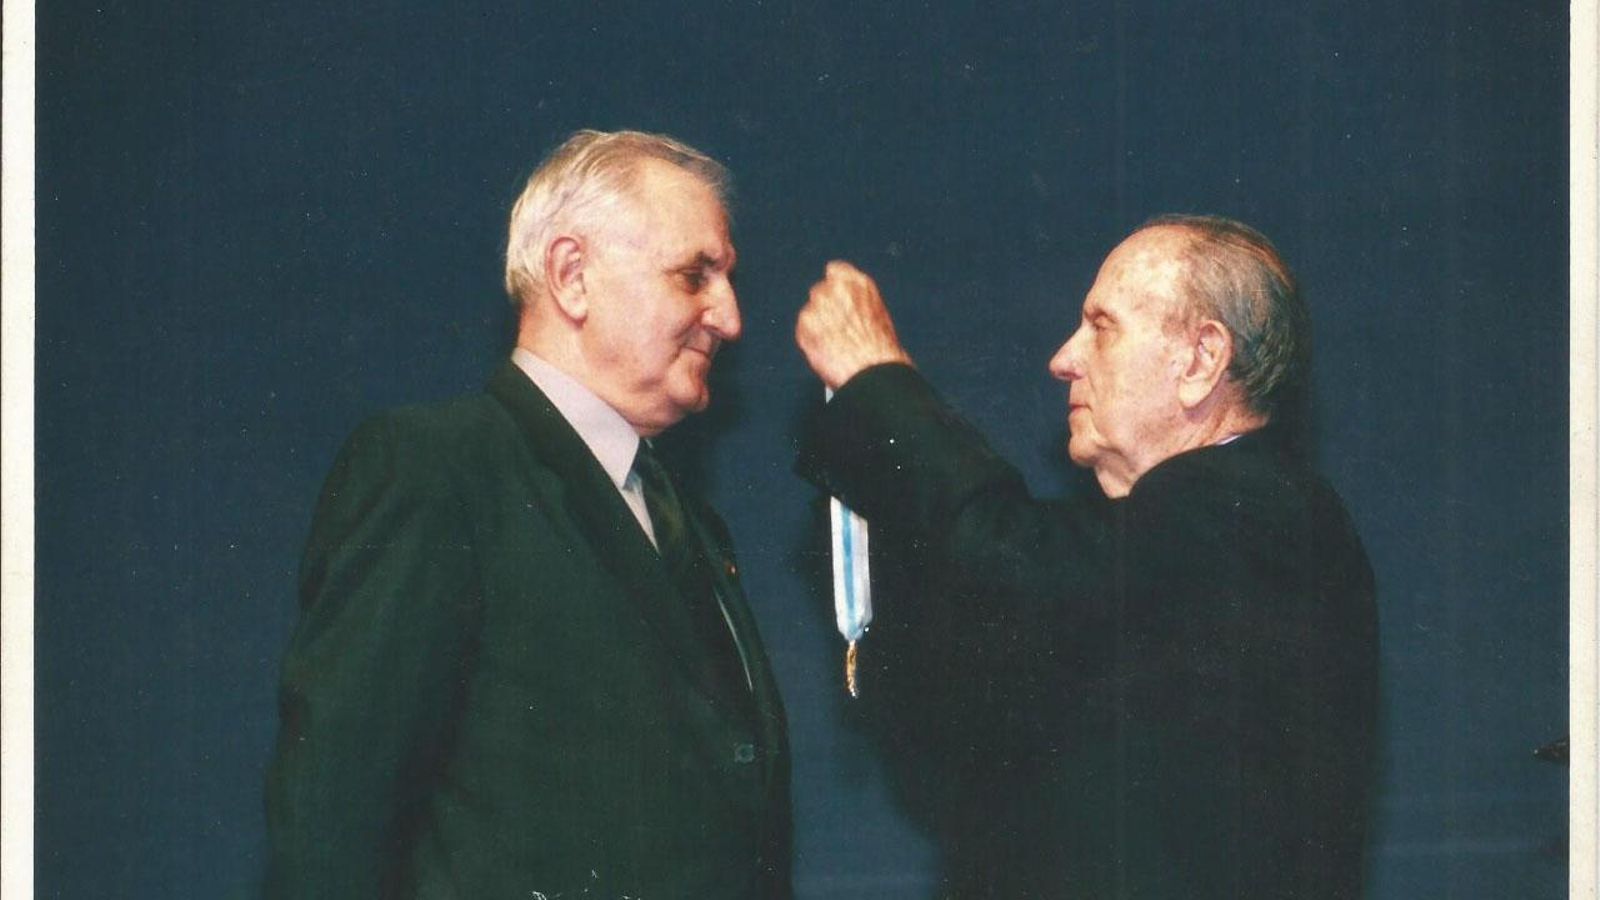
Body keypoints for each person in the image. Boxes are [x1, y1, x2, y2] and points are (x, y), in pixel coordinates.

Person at [265, 130, 791, 899]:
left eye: (728, 280)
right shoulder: (436, 470)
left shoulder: (692, 526)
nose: (731, 317)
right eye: (694, 276)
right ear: (572, 276)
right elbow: (329, 828)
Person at [794, 216, 1378, 898]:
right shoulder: (1158, 551)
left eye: (1101, 325)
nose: (1064, 357)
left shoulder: (1257, 507)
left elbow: (1007, 564)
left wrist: (876, 382)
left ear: (1200, 360)